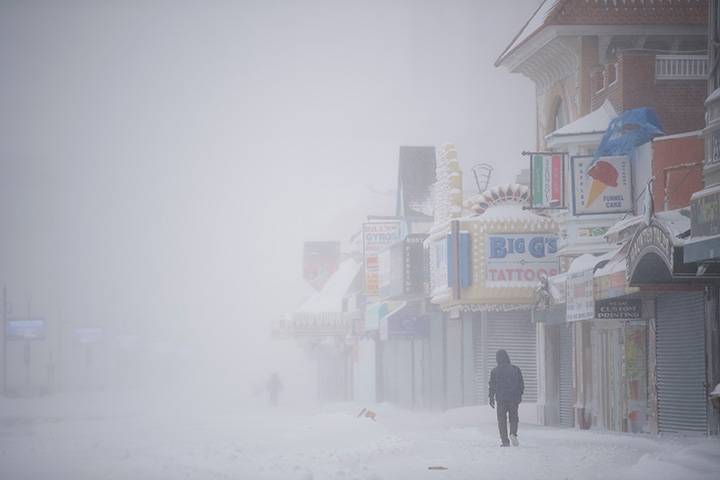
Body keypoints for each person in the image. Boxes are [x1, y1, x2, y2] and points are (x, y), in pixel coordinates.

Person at [488, 349, 524, 447]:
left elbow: (492, 386)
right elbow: (521, 384)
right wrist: (519, 395)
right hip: (513, 398)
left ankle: (505, 441)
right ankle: (513, 433)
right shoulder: (516, 369)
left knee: (502, 420)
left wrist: (491, 397)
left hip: (501, 399)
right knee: (513, 418)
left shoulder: (495, 371)